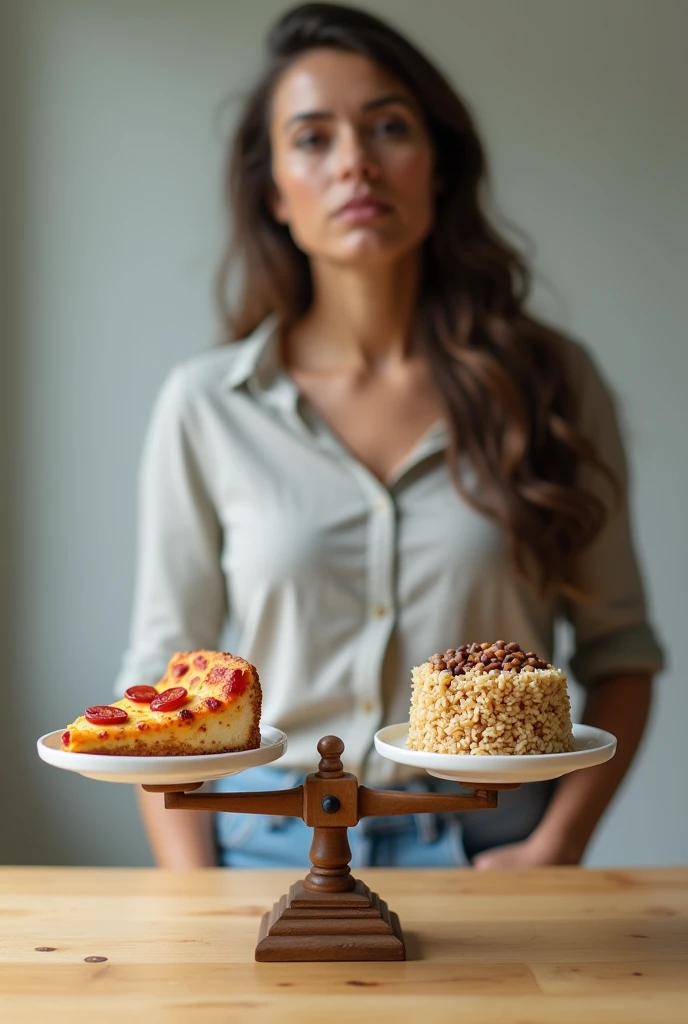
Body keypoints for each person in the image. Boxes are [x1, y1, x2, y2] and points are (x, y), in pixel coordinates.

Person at [115, 2, 664, 870]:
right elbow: (157, 676)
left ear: (437, 168)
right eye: (313, 138)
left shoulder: (553, 385)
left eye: (389, 127)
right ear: (274, 195)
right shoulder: (207, 406)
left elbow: (622, 654)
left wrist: (556, 847)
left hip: (494, 849)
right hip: (264, 849)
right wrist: (193, 886)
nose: (356, 163)